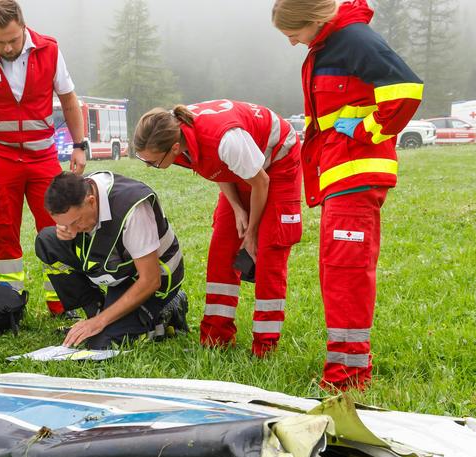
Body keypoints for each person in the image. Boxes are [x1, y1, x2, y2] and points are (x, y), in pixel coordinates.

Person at [271, 0, 422, 390]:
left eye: (293, 34)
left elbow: (406, 90)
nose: (291, 43)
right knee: (335, 271)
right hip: (340, 176)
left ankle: (349, 377)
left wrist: (367, 128)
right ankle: (347, 368)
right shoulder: (327, 45)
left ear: (315, 21)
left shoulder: (354, 39)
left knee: (346, 273)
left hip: (357, 174)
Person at [131, 100, 301, 358]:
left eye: (153, 162)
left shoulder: (225, 140)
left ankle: (265, 347)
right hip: (245, 168)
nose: (151, 167)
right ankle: (215, 338)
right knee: (222, 248)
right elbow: (216, 169)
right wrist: (236, 207)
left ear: (174, 147)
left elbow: (260, 181)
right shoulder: (176, 131)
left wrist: (252, 232)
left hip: (275, 163)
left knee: (267, 253)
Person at [0, 0, 88, 315]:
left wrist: (79, 145)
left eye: (13, 39)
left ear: (23, 27)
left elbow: (68, 100)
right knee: (3, 230)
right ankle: (8, 304)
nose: (8, 47)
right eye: (0, 41)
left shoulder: (50, 50)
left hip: (43, 158)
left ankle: (62, 303)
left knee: (58, 227)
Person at [37, 171, 188, 349]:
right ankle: (95, 311)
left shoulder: (133, 209)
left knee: (103, 343)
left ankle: (168, 309)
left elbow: (150, 280)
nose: (72, 230)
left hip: (152, 280)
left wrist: (101, 322)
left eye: (76, 222)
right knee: (47, 240)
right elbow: (72, 226)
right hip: (120, 272)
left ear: (91, 201)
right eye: (65, 223)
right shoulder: (80, 192)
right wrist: (65, 230)